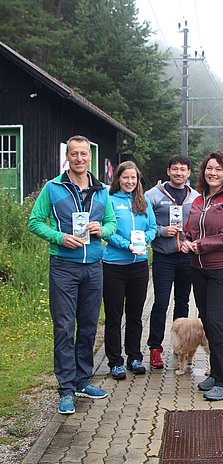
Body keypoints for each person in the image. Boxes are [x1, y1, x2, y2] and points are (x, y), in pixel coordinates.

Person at [28, 135, 117, 415]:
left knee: (89, 326)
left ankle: (82, 381)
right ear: (67, 156)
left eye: (84, 154)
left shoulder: (102, 190)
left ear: (90, 156)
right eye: (74, 154)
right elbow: (34, 222)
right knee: (65, 328)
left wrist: (102, 231)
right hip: (64, 267)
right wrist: (59, 237)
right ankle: (65, 389)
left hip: (93, 266)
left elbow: (112, 223)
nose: (79, 159)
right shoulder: (53, 188)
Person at [181, 151, 223, 401]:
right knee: (207, 321)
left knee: (217, 322)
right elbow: (189, 231)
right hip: (200, 270)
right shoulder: (199, 200)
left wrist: (203, 245)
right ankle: (216, 373)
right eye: (209, 168)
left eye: (218, 169)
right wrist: (186, 242)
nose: (212, 173)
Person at [102, 161, 157, 380]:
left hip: (139, 266)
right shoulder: (110, 201)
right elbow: (106, 231)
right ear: (118, 179)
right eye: (125, 177)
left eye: (133, 178)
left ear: (138, 180)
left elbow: (152, 227)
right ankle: (115, 362)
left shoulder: (143, 202)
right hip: (114, 266)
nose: (130, 181)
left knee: (135, 315)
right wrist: (126, 245)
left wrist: (145, 239)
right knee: (114, 316)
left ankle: (134, 356)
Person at [145, 155, 200, 369]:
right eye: (175, 169)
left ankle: (182, 346)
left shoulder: (195, 196)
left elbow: (197, 225)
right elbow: (145, 223)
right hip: (163, 257)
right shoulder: (153, 195)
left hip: (186, 257)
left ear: (189, 173)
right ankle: (155, 348)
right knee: (160, 303)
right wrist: (161, 231)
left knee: (183, 303)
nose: (179, 173)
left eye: (183, 169)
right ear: (168, 171)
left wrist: (192, 242)